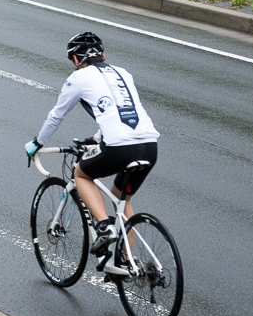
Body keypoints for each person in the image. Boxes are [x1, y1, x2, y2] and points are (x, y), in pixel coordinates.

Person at [24, 31, 160, 276]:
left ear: (76, 59)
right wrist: (96, 138)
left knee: (82, 174)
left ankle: (105, 228)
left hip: (119, 147)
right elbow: (122, 110)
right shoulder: (123, 73)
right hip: (149, 145)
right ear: (103, 54)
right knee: (121, 199)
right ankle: (124, 261)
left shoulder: (78, 77)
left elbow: (57, 115)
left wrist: (37, 142)